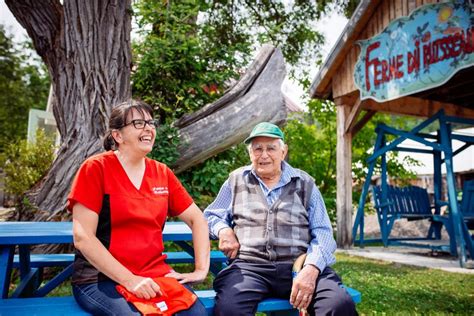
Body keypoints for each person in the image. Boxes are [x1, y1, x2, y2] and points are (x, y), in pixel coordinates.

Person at [68, 100, 210, 315]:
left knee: (196, 313)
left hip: (155, 274)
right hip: (101, 278)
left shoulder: (162, 173)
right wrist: (131, 280)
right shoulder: (95, 168)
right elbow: (83, 237)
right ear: (118, 135)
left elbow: (197, 219)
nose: (148, 128)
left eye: (150, 122)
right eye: (138, 123)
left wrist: (201, 270)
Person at [204, 122, 357, 316]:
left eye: (271, 148)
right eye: (257, 149)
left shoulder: (305, 183)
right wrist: (223, 230)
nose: (264, 154)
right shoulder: (235, 180)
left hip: (299, 265)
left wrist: (312, 268)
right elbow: (211, 215)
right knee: (229, 310)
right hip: (250, 267)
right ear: (250, 154)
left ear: (283, 152)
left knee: (338, 306)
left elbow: (324, 233)